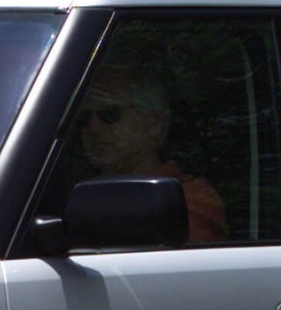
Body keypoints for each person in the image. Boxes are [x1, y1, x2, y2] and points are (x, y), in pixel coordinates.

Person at [72, 68, 229, 243]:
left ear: (153, 123)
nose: (93, 127)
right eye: (84, 118)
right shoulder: (75, 194)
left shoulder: (186, 199)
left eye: (110, 114)